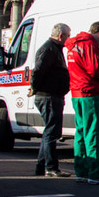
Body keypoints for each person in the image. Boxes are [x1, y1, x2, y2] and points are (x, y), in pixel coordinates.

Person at [66, 21, 99, 185]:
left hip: (76, 92)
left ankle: (81, 170)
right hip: (90, 93)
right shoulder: (89, 44)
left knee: (81, 132)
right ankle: (95, 172)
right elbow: (95, 70)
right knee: (94, 132)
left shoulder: (74, 44)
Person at [32, 23, 71, 177]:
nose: (68, 39)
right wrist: (35, 87)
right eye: (68, 36)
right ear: (61, 36)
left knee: (50, 131)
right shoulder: (49, 49)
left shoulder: (54, 48)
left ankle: (41, 166)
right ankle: (51, 167)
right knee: (51, 132)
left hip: (52, 95)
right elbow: (38, 70)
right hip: (48, 96)